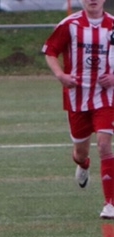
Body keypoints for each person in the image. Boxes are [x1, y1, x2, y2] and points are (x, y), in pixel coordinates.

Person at [42, 0, 114, 220]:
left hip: (106, 97)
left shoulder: (112, 25)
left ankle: (110, 203)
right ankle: (83, 164)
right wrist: (60, 75)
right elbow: (50, 51)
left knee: (104, 145)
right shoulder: (69, 25)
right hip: (77, 98)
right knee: (80, 152)